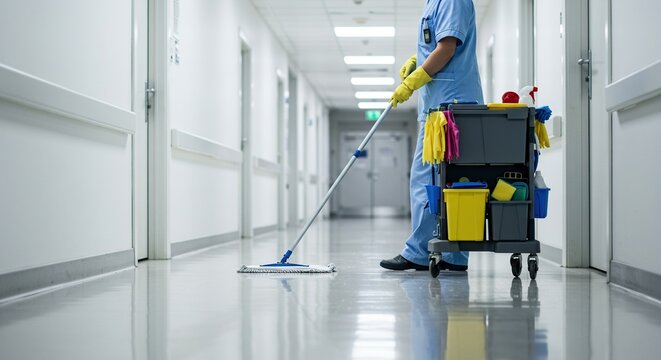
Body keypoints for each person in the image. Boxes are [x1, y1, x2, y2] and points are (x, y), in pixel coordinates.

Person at [380, 0, 483, 271]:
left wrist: (413, 80)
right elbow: (436, 43)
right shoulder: (433, 3)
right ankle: (453, 255)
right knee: (449, 182)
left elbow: (447, 48)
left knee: (428, 179)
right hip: (442, 105)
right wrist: (417, 59)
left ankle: (419, 252)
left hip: (450, 106)